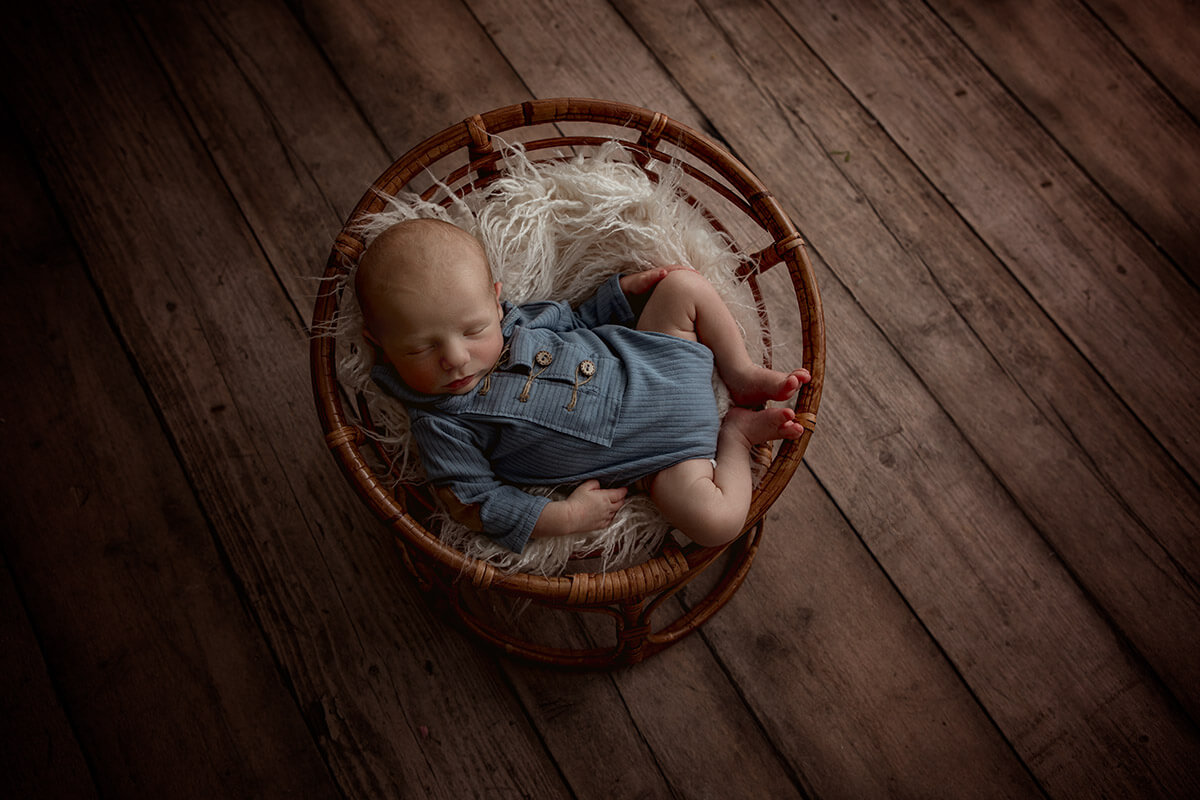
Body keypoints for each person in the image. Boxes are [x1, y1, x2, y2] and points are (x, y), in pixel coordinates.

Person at [356, 218, 810, 553]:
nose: (455, 358)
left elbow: (578, 318)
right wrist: (566, 517)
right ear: (381, 346)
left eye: (473, 330)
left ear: (495, 303)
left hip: (653, 354)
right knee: (718, 522)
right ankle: (735, 434)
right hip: (659, 459)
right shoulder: (441, 422)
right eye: (419, 349)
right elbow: (476, 502)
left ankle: (740, 372)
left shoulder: (521, 321)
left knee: (683, 287)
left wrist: (624, 292)